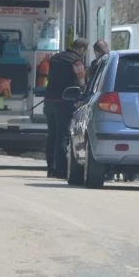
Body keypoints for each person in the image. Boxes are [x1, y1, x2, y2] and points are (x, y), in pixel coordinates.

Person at [43, 38, 88, 179]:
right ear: (81, 49)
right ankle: (61, 170)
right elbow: (82, 82)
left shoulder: (55, 58)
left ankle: (50, 168)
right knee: (62, 136)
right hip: (64, 102)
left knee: (52, 135)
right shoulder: (76, 62)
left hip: (49, 101)